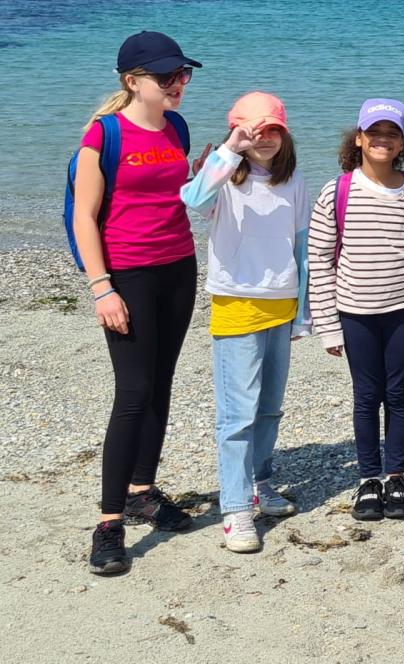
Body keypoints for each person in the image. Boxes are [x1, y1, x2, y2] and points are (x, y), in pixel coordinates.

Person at [71, 31, 203, 576]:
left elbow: (174, 189)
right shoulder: (102, 135)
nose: (180, 83)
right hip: (128, 274)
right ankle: (109, 524)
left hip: (179, 267)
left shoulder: (176, 126)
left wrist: (214, 165)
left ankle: (142, 490)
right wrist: (102, 288)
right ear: (132, 81)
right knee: (133, 393)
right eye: (168, 77)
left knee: (163, 383)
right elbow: (85, 217)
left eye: (183, 74)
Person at [180, 92, 309, 553]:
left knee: (270, 408)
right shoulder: (222, 177)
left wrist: (304, 311)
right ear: (238, 131)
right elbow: (191, 198)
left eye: (273, 129)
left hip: (281, 304)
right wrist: (229, 149)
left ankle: (260, 482)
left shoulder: (292, 181)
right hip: (236, 304)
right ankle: (235, 508)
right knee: (237, 414)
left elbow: (302, 250)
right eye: (255, 131)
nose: (265, 138)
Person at [308, 99, 404, 523]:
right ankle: (368, 479)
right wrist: (328, 328)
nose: (383, 140)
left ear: (402, 142)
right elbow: (319, 260)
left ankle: (396, 475)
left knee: (398, 394)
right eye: (375, 132)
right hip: (354, 312)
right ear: (359, 138)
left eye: (392, 133)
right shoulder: (338, 191)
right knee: (367, 397)